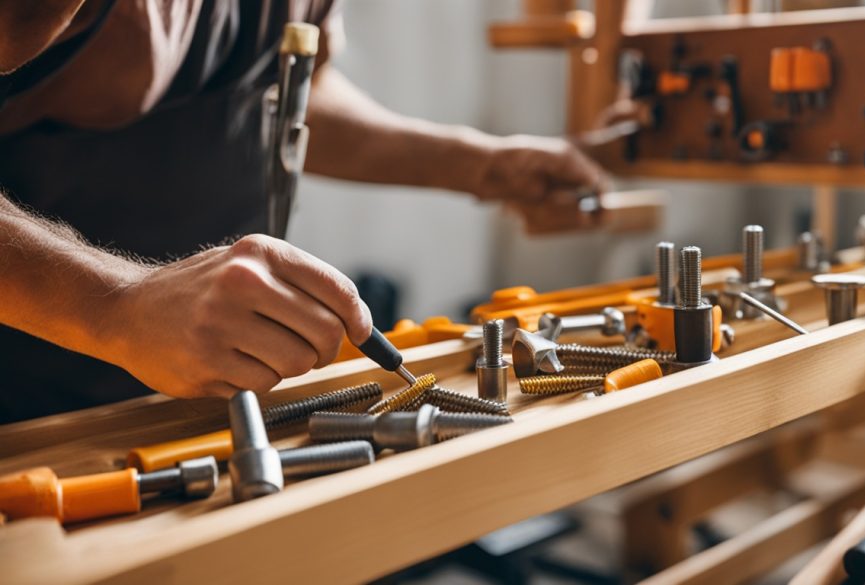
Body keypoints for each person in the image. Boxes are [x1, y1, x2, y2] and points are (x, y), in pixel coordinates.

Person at [0, 1, 605, 423]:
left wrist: (481, 165)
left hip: (204, 385)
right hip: (32, 395)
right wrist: (115, 306)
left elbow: (289, 91)